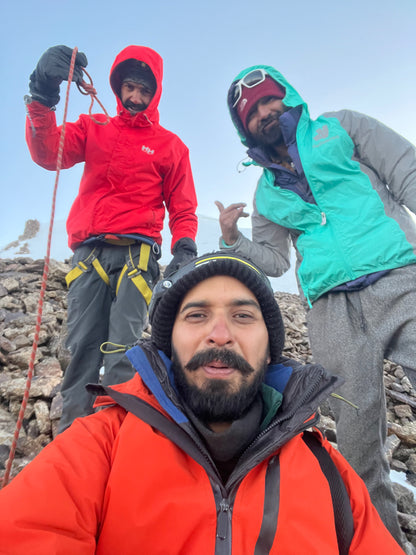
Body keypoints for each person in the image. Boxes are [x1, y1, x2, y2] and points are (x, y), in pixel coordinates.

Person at [0, 252, 405, 553]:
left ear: (270, 352)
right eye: (196, 316)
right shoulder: (102, 444)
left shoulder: (328, 470)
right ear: (168, 346)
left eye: (243, 317)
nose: (219, 334)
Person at [216, 65, 416, 548]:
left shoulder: (341, 126)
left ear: (289, 98)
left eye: (271, 99)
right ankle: (380, 542)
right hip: (330, 306)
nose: (267, 111)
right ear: (245, 128)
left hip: (399, 273)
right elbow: (275, 261)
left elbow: (404, 167)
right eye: (254, 111)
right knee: (356, 435)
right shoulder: (265, 192)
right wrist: (232, 238)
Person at [24, 45, 198, 432]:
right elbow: (48, 150)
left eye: (144, 91)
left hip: (137, 258)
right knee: (81, 350)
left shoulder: (171, 146)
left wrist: (184, 245)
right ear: (118, 85)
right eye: (129, 87)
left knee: (124, 353)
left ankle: (117, 444)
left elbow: (183, 207)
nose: (135, 97)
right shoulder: (95, 127)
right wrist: (42, 93)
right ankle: (73, 446)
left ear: (156, 94)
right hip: (89, 256)